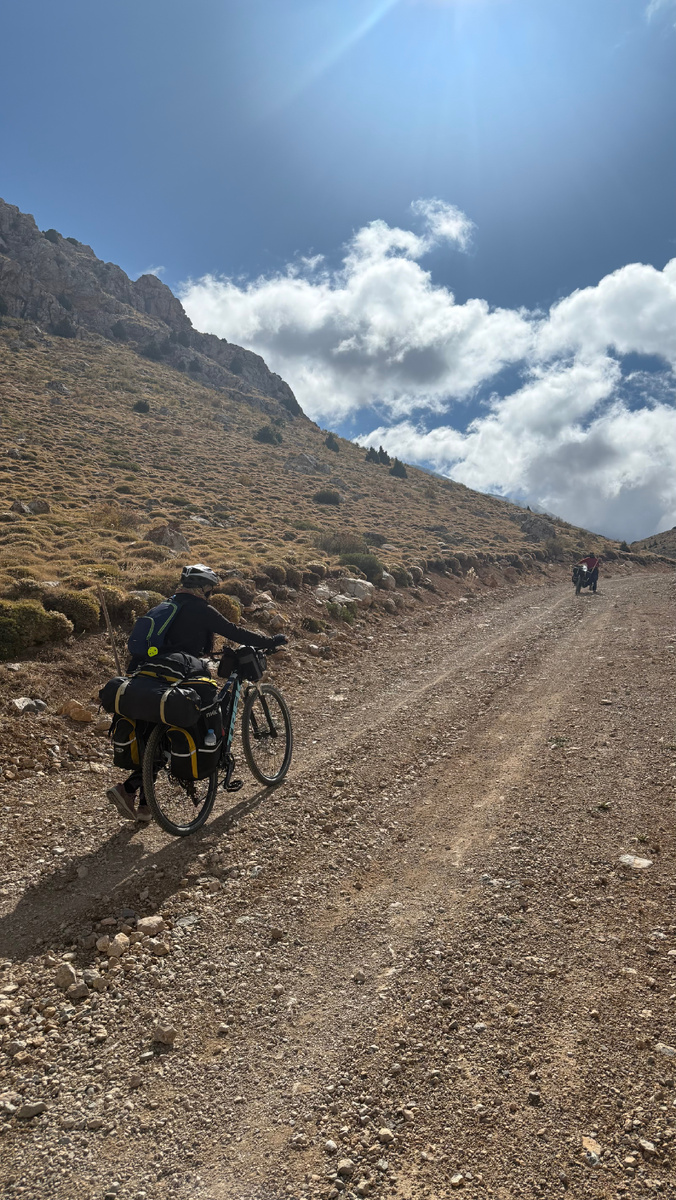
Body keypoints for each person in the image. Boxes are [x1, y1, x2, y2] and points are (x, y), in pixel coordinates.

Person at [106, 563, 286, 822]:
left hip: (146, 674)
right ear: (203, 588)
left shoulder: (167, 606)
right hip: (182, 673)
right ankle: (131, 787)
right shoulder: (200, 608)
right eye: (210, 588)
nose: (210, 593)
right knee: (200, 721)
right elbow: (233, 632)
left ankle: (145, 806)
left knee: (152, 731)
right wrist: (270, 641)